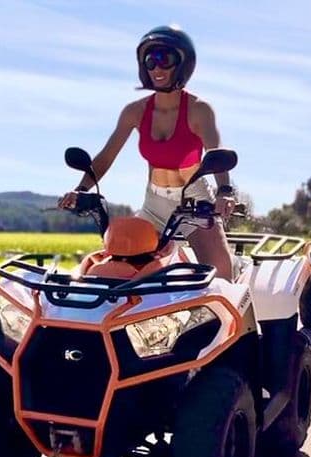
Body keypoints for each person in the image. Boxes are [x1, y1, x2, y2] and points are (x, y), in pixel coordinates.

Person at [58, 25, 236, 279]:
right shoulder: (135, 111)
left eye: (164, 60)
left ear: (183, 64)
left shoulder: (199, 110)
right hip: (153, 204)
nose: (157, 69)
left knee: (221, 275)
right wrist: (82, 189)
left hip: (194, 203)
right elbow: (107, 155)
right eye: (150, 62)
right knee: (118, 270)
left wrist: (225, 191)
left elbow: (216, 153)